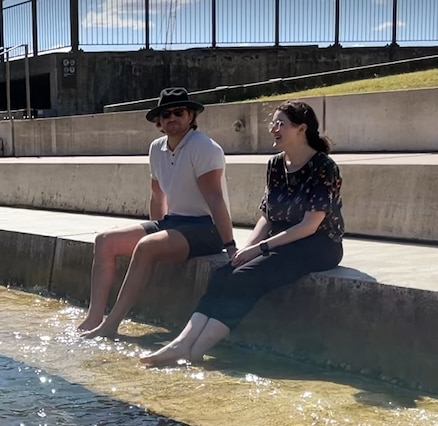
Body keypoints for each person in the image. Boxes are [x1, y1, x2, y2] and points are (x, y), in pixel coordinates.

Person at [140, 100, 344, 367]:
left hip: (319, 244)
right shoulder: (275, 164)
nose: (273, 129)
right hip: (282, 240)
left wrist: (259, 250)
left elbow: (310, 225)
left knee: (246, 277)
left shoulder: (323, 166)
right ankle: (183, 343)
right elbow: (268, 217)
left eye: (280, 124)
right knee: (226, 272)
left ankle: (197, 350)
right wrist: (243, 251)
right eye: (273, 123)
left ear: (301, 129)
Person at [78, 87, 236, 338]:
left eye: (178, 112)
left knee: (146, 246)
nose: (171, 118)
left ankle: (111, 325)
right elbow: (157, 195)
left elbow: (215, 198)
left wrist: (229, 245)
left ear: (191, 116)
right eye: (165, 114)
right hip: (173, 222)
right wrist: (157, 229)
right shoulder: (156, 148)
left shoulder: (204, 147)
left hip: (207, 228)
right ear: (159, 121)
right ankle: (94, 318)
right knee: (105, 241)